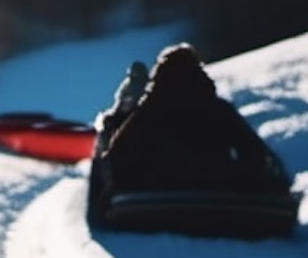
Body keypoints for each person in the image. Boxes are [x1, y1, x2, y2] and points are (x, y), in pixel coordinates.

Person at [95, 43, 288, 202]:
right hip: (217, 185)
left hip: (159, 186)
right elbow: (255, 153)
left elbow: (118, 154)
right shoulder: (219, 110)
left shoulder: (149, 111)